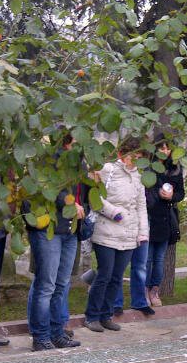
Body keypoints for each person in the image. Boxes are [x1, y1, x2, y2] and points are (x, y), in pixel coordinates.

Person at [26, 133, 87, 350]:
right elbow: (47, 190)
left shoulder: (80, 163)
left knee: (62, 284)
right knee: (46, 285)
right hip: (48, 228)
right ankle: (41, 336)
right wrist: (70, 203)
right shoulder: (47, 161)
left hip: (70, 229)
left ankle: (56, 332)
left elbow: (84, 192)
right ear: (67, 141)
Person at [84, 136, 148, 333]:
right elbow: (95, 196)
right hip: (106, 230)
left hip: (129, 234)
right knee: (104, 273)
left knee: (117, 277)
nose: (135, 162)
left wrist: (143, 232)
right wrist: (114, 212)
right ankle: (92, 316)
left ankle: (106, 315)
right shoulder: (108, 170)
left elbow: (141, 206)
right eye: (132, 157)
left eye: (139, 158)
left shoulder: (139, 176)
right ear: (123, 155)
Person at [144, 134, 185, 307]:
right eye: (162, 148)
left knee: (159, 259)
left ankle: (155, 290)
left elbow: (181, 193)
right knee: (147, 259)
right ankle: (144, 291)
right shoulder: (147, 168)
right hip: (148, 217)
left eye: (168, 148)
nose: (165, 151)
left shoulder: (175, 169)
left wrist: (171, 196)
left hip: (165, 218)